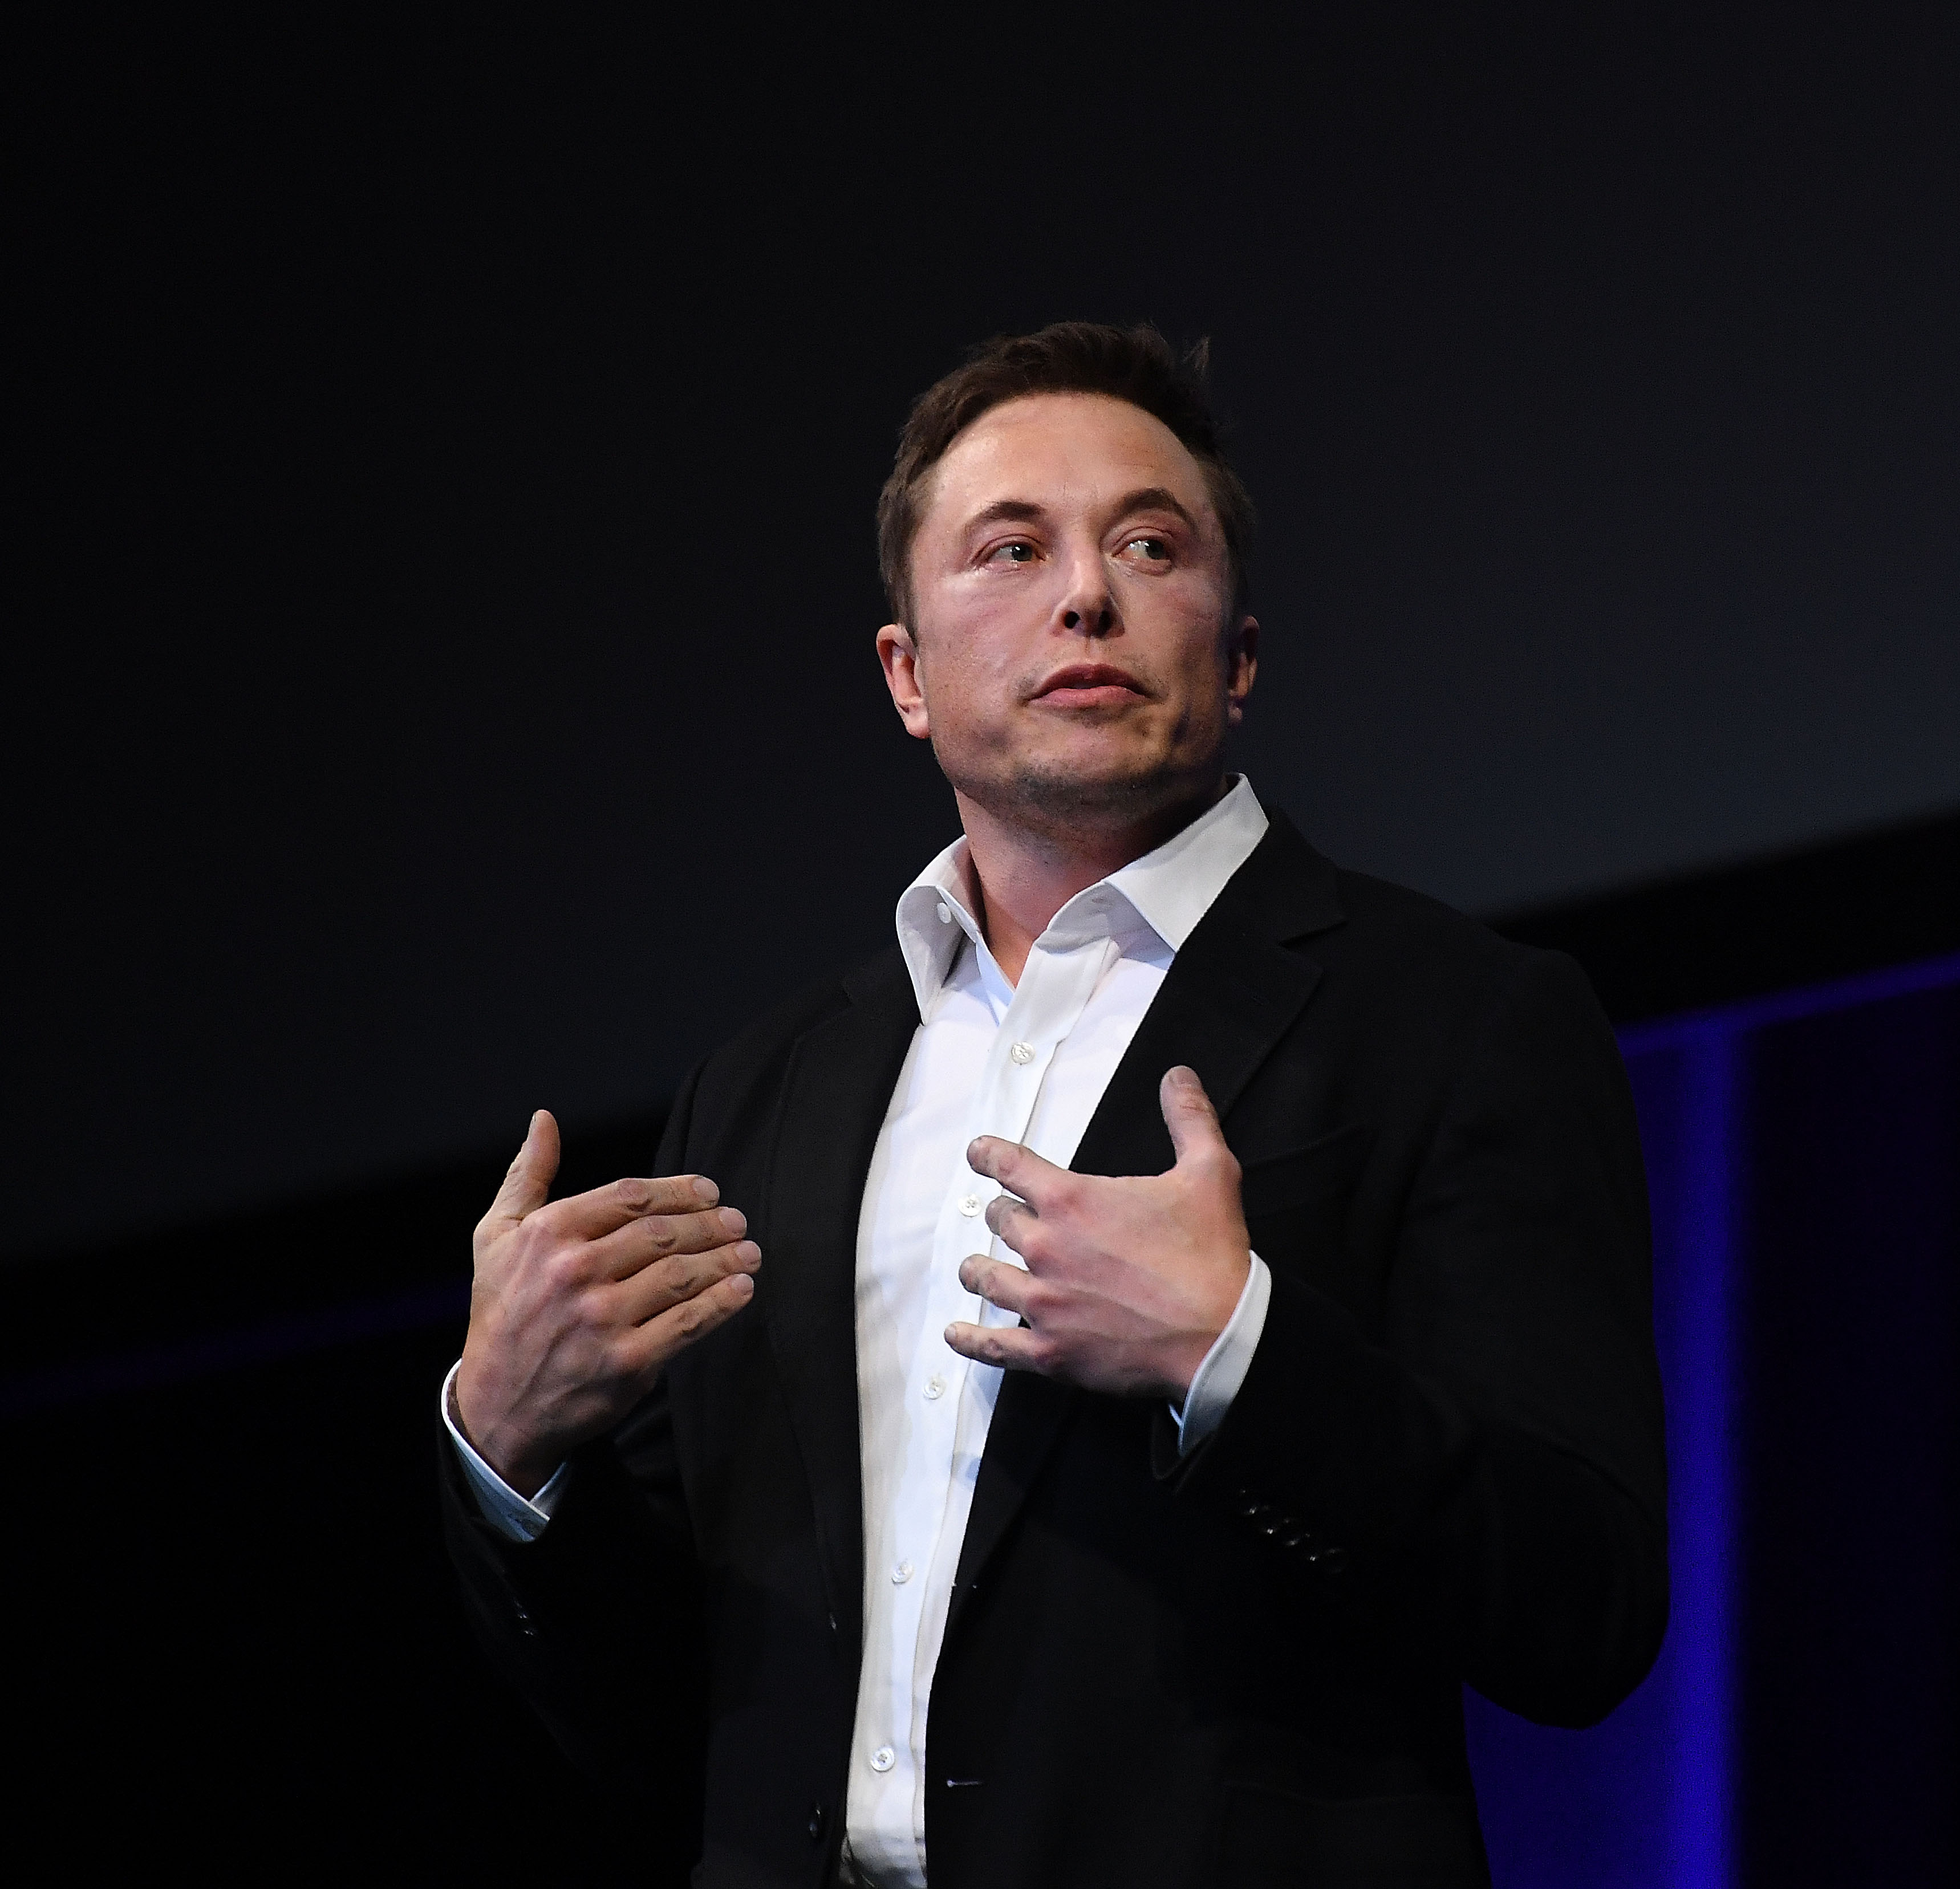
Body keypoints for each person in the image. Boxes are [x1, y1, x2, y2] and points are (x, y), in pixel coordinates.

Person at [439, 322, 1667, 1889]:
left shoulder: (1455, 1018)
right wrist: (513, 1446)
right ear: (907, 672)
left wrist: (1238, 1354)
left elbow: (1585, 1605)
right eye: (1009, 550)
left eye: (1150, 543)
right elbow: (667, 1708)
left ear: (1239, 653)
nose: (1084, 592)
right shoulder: (763, 1091)